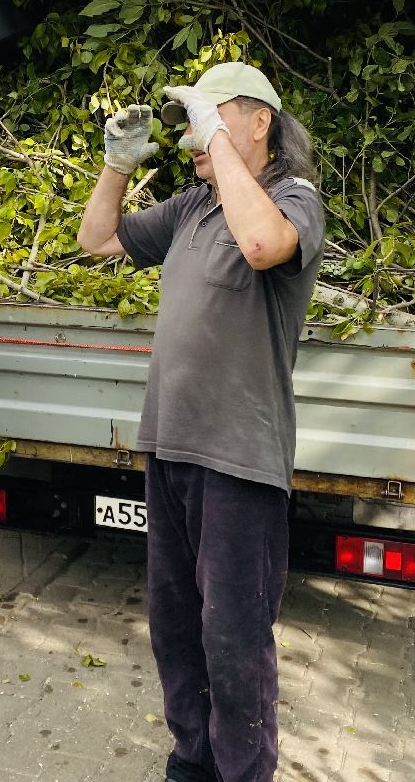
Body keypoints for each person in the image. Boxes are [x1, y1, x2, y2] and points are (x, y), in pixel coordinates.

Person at [77, 62, 326, 782]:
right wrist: (117, 165)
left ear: (261, 122)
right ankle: (193, 760)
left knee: (234, 638)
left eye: (212, 120)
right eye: (193, 125)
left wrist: (213, 136)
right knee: (175, 626)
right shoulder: (193, 208)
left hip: (240, 458)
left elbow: (263, 246)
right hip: (169, 445)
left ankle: (243, 771)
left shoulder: (294, 199)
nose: (194, 138)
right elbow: (96, 239)